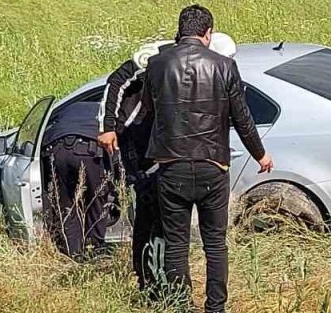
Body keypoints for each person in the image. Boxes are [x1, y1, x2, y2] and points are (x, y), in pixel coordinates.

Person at [142, 6, 273, 313]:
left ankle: (181, 305)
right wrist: (260, 154)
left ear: (180, 31)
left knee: (176, 245)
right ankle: (215, 307)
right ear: (208, 33)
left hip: (171, 165)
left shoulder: (157, 65)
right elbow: (242, 118)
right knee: (214, 244)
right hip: (212, 164)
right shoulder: (224, 65)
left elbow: (148, 108)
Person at [98, 33, 239, 297]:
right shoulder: (155, 57)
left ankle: (163, 288)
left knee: (164, 226)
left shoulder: (201, 65)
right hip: (139, 142)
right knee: (152, 217)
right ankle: (151, 285)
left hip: (166, 149)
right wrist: (108, 127)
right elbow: (117, 80)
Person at [40, 99, 114, 260]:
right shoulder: (108, 110)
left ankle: (72, 254)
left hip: (58, 150)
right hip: (89, 152)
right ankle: (94, 251)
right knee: (96, 202)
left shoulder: (69, 107)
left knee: (67, 204)